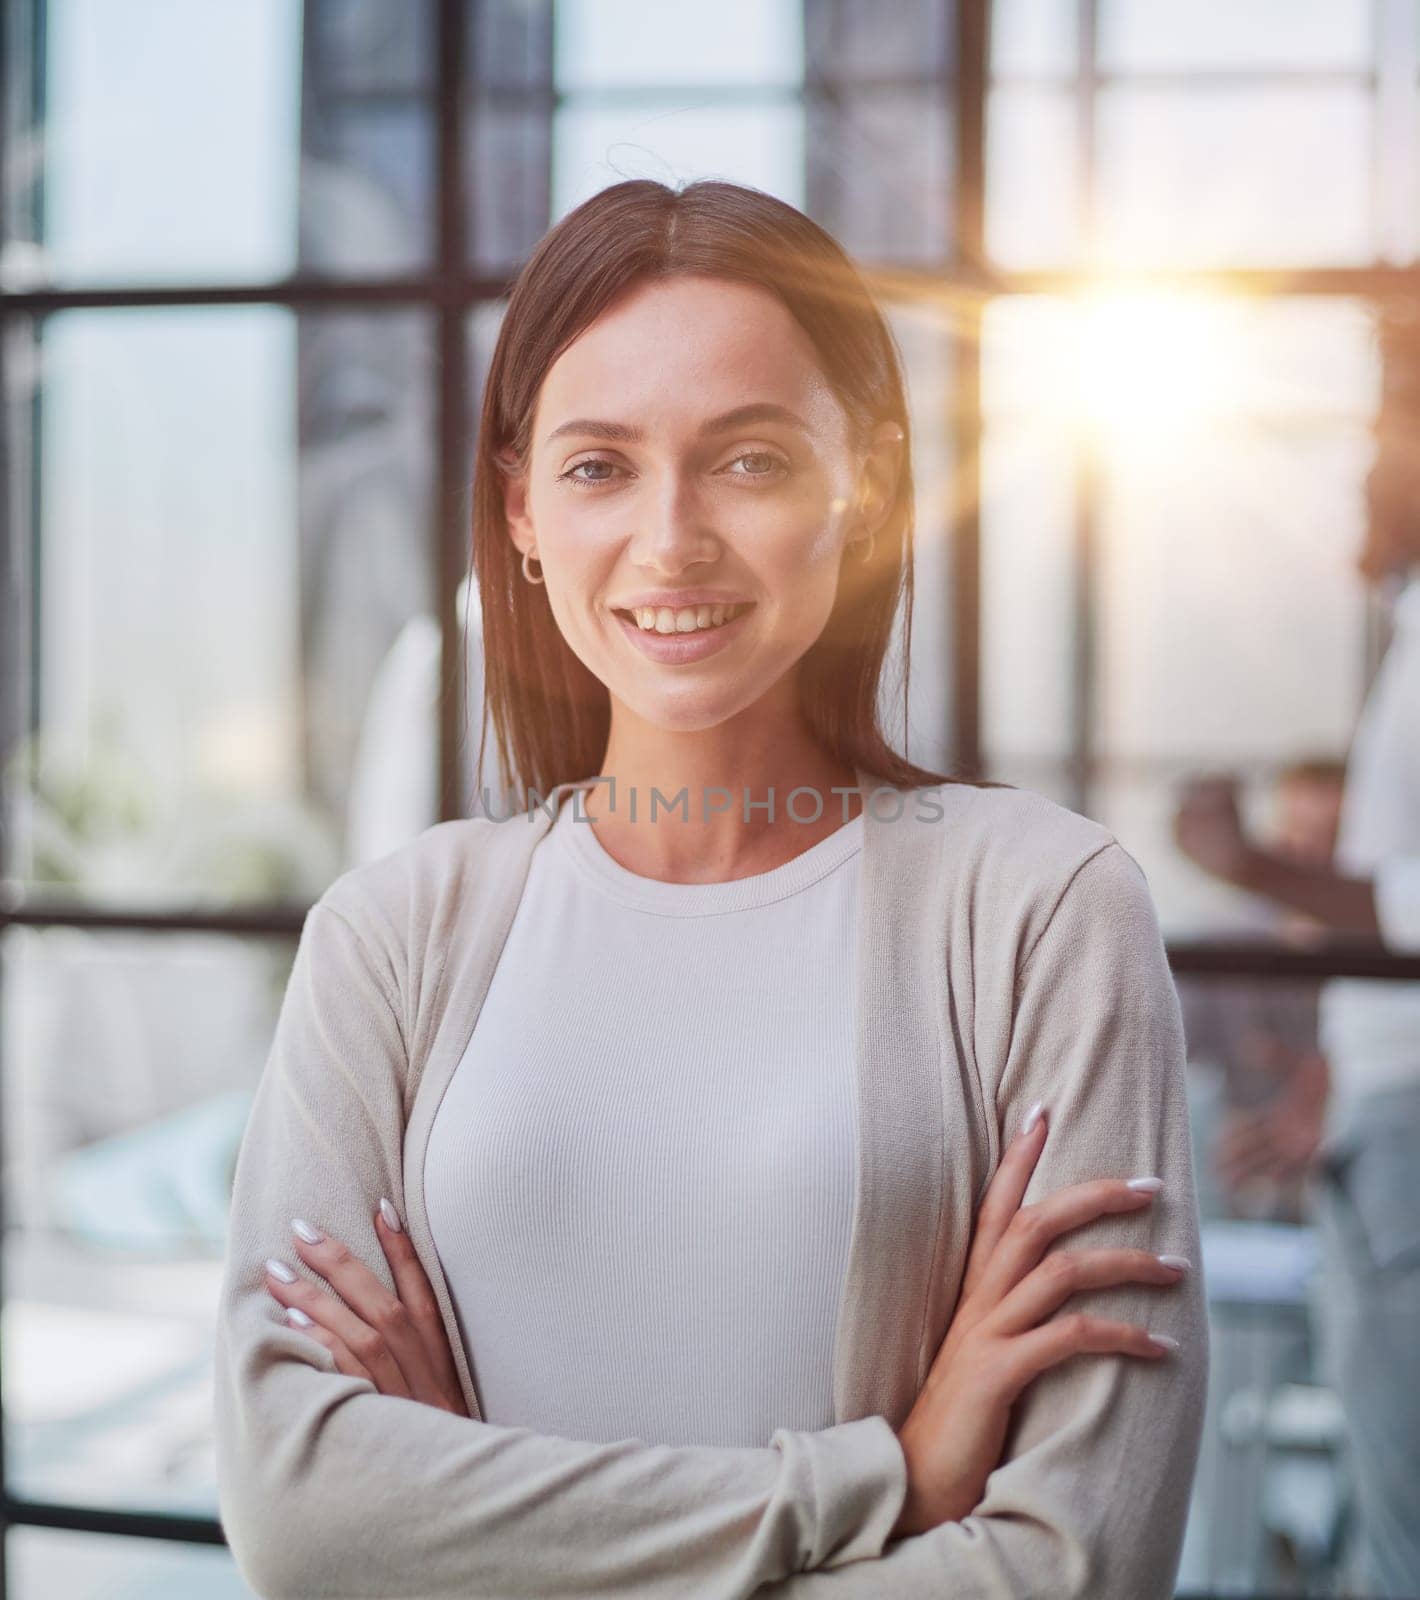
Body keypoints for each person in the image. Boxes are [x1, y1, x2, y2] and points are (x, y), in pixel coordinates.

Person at [213, 179, 1208, 1600]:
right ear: (523, 513)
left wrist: (478, 1532)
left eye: (747, 460)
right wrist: (887, 1482)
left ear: (860, 486)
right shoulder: (393, 936)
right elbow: (304, 1518)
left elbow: (1075, 1568)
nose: (671, 538)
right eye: (600, 466)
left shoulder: (1042, 913)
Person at [1174, 452, 1420, 1598]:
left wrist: (1250, 864)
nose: (1355, 476)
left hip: (1396, 1129)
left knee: (1398, 1512)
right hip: (1362, 1146)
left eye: (1384, 444)